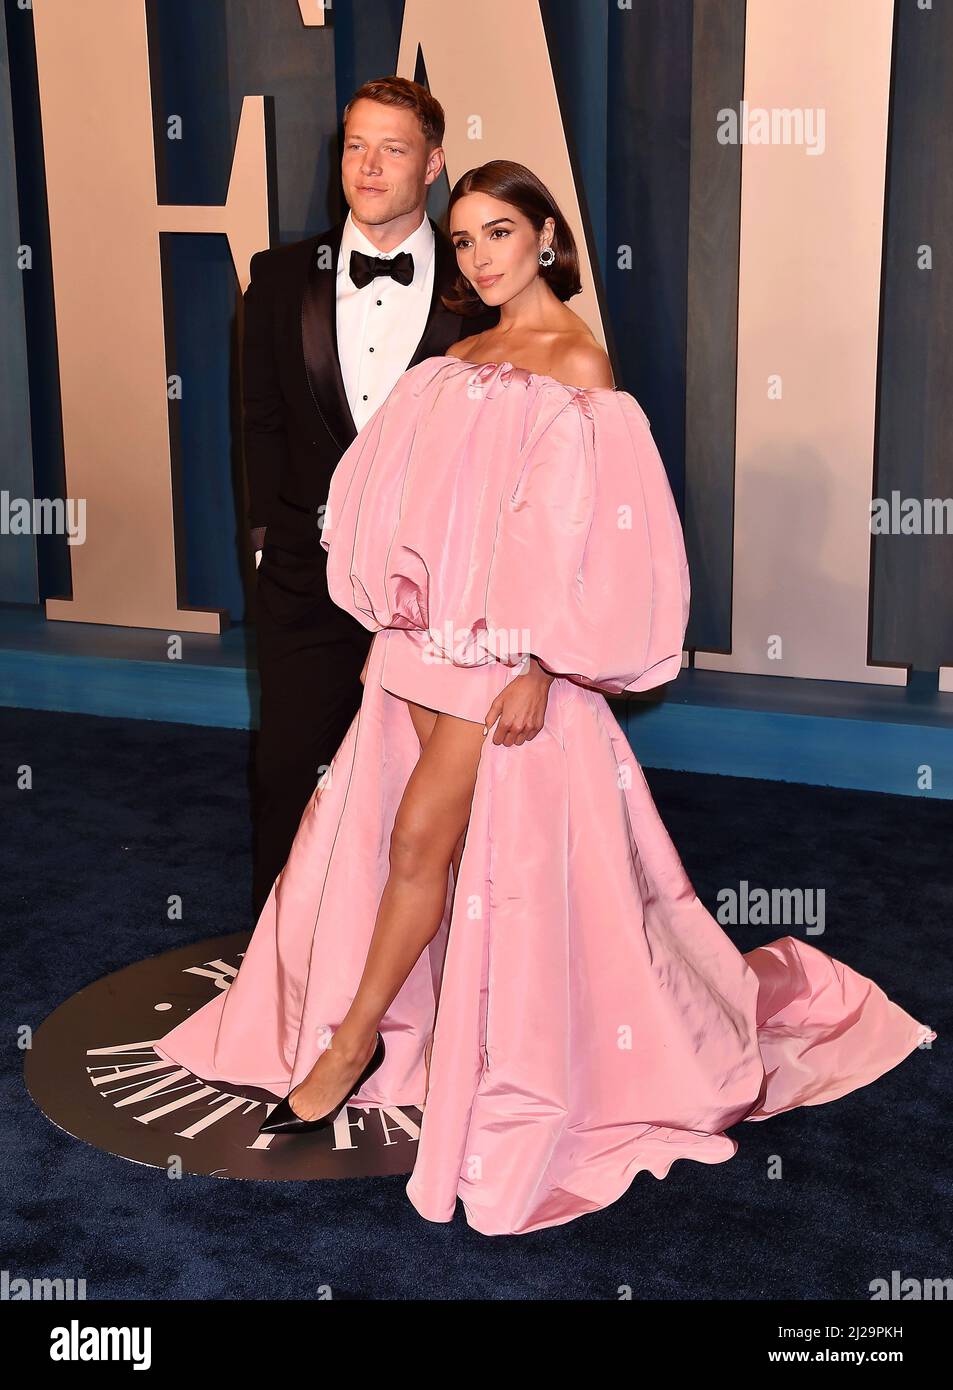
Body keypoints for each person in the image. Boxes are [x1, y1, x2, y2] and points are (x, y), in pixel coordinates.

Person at [155, 160, 935, 1237]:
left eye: (497, 234)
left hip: (499, 666)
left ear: (547, 239)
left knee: (419, 844)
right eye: (464, 239)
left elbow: (598, 537)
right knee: (394, 841)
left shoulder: (579, 366)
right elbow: (390, 494)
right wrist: (394, 610)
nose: (477, 257)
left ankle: (348, 1048)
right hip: (417, 652)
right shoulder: (456, 356)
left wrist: (544, 665)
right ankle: (416, 1024)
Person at [244, 76, 496, 915]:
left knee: (429, 800)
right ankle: (281, 972)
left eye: (392, 148)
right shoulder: (278, 278)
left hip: (436, 594)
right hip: (303, 579)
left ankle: (430, 988)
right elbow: (260, 423)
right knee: (287, 776)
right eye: (355, 144)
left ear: (432, 164)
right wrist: (264, 541)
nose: (368, 165)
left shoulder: (482, 297)